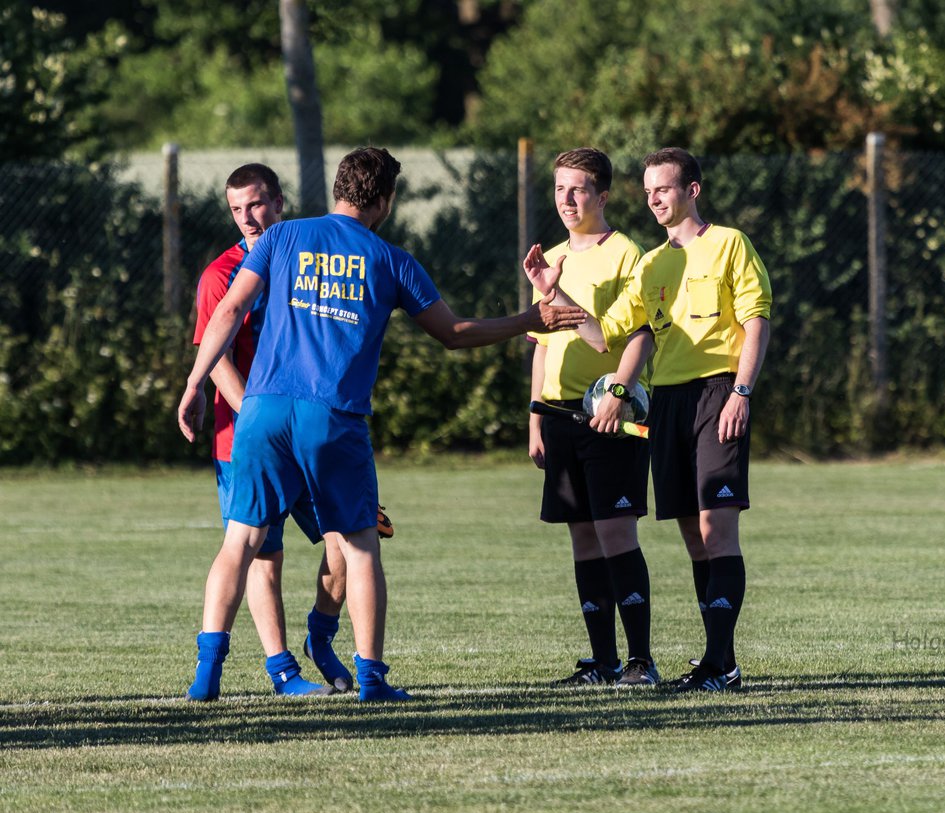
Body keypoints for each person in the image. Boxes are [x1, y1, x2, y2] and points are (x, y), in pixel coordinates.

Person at [179, 147, 587, 702]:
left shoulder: (281, 238)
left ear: (338, 188)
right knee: (360, 546)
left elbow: (226, 312)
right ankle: (371, 678)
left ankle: (207, 676)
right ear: (386, 201)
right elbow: (454, 332)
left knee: (240, 542)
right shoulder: (391, 260)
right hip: (332, 416)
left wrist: (194, 383)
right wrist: (528, 320)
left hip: (262, 409)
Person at [525, 147, 771, 692]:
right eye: (649, 190)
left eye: (664, 188)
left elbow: (756, 323)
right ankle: (715, 665)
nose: (655, 198)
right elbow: (604, 333)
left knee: (715, 525)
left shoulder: (730, 243)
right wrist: (552, 291)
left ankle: (720, 665)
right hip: (668, 402)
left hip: (717, 392)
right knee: (691, 531)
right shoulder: (653, 264)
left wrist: (741, 392)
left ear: (692, 191)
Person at [193, 163, 364, 698]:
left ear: (281, 202)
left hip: (310, 432)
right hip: (248, 437)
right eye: (237, 209)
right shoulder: (221, 274)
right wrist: (259, 419)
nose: (248, 218)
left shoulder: (303, 261)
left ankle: (321, 634)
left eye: (257, 205)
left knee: (343, 546)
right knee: (260, 554)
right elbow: (216, 354)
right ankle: (280, 672)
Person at [523, 148, 658, 687]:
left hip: (608, 414)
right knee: (582, 540)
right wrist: (534, 417)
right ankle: (602, 663)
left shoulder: (628, 254)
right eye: (559, 189)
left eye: (578, 189)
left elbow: (640, 334)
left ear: (602, 196)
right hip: (558, 418)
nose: (567, 200)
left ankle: (641, 662)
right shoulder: (549, 256)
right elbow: (540, 344)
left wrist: (619, 393)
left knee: (616, 534)